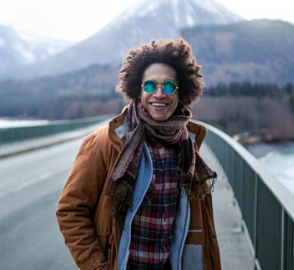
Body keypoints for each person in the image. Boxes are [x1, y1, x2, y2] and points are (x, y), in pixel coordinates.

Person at [56, 38, 220, 270]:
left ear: (181, 91)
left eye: (169, 86)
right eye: (151, 86)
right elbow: (70, 211)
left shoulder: (188, 148)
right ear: (137, 89)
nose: (160, 94)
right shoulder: (104, 144)